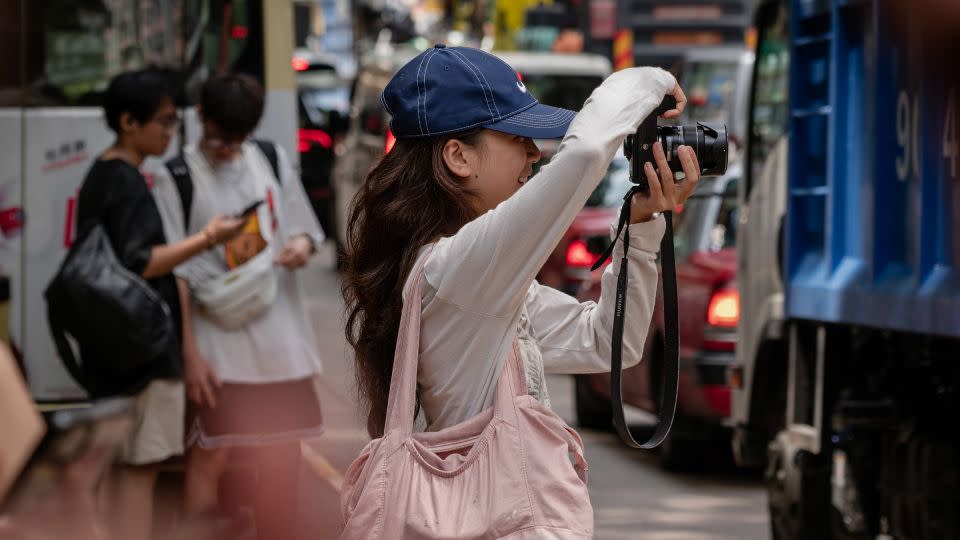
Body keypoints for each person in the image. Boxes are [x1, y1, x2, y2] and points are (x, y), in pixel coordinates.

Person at [342, 45, 699, 485]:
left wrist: (641, 226)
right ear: (458, 156)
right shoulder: (457, 269)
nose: (534, 153)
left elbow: (610, 342)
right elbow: (585, 152)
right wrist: (650, 79)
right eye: (516, 137)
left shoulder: (472, 279)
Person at [73, 69, 246, 540]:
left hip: (117, 345)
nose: (172, 131)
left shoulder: (105, 174)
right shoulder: (124, 180)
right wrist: (208, 238)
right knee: (140, 467)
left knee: (125, 464)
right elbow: (143, 261)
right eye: (164, 121)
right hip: (141, 352)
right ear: (129, 122)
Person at [151, 72, 325, 540]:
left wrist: (302, 247)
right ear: (200, 116)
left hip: (280, 339)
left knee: (283, 458)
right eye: (218, 138)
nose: (228, 149)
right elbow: (176, 276)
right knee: (211, 455)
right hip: (216, 345)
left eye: (237, 140)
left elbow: (305, 228)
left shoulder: (269, 158)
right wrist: (189, 355)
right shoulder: (175, 178)